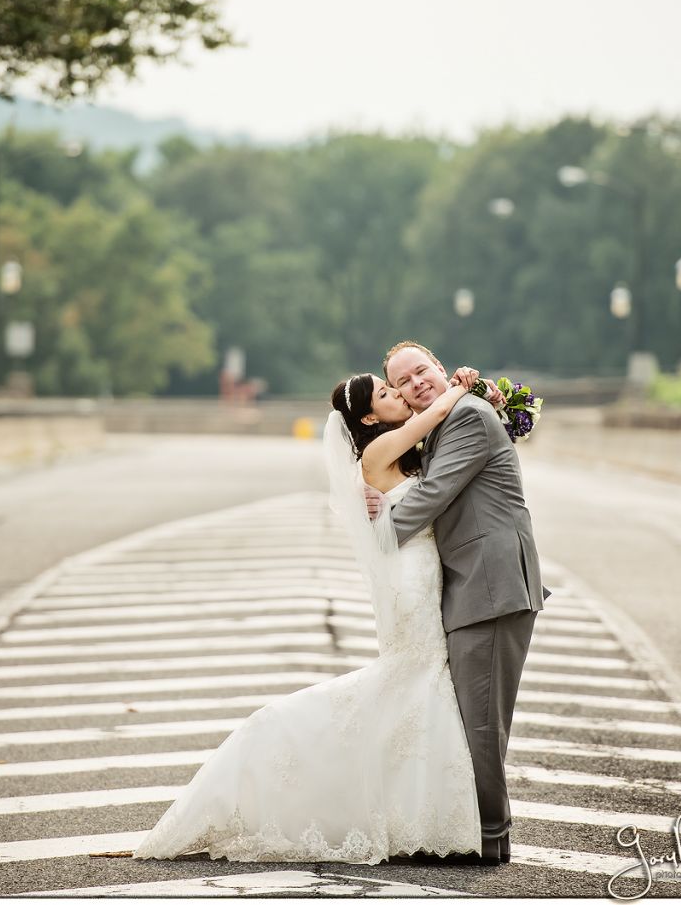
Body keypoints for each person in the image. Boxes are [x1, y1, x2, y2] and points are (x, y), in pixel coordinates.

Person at [133, 366, 492, 865]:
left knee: (420, 679)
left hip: (422, 566)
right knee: (417, 671)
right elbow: (430, 415)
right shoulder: (377, 452)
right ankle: (295, 743)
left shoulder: (399, 451)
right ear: (369, 415)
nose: (398, 395)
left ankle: (417, 813)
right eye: (388, 393)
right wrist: (462, 387)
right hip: (407, 575)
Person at [365, 340, 551, 866]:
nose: (414, 383)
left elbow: (435, 493)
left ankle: (491, 836)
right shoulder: (442, 423)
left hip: (491, 585)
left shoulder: (467, 416)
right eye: (402, 381)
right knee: (471, 715)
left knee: (482, 721)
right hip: (471, 585)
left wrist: (374, 536)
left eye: (420, 371)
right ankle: (477, 830)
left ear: (440, 369)